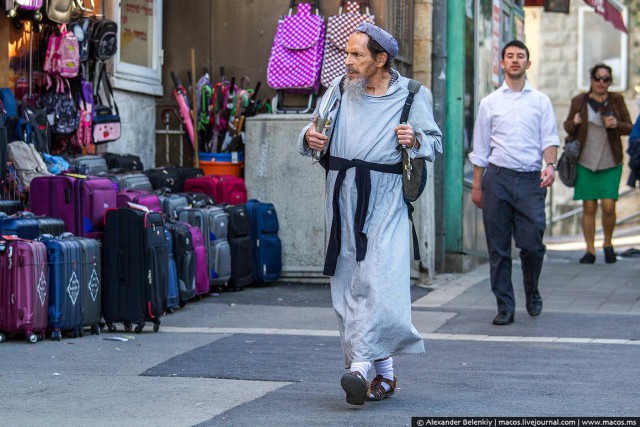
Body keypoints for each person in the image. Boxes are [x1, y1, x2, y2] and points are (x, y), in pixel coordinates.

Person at [297, 22, 442, 405]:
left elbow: (434, 142)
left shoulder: (412, 94)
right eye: (347, 53)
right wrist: (308, 138)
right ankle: (386, 375)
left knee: (377, 279)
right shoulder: (338, 90)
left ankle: (359, 368)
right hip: (341, 197)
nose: (348, 61)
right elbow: (313, 133)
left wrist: (416, 139)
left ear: (380, 59)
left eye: (356, 54)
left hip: (387, 199)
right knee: (348, 284)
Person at [469, 40, 559, 326]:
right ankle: (505, 306)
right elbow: (480, 148)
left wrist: (550, 166)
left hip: (531, 180)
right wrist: (477, 185)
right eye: (510, 56)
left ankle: (532, 290)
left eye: (521, 56)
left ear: (528, 64)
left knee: (532, 245)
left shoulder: (541, 101)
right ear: (503, 63)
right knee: (498, 248)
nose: (515, 60)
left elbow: (550, 139)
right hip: (498, 178)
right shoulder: (489, 103)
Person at [563, 63, 633, 264]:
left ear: (610, 82)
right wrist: (574, 122)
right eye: (598, 78)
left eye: (606, 79)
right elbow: (567, 127)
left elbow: (629, 127)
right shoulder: (579, 101)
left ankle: (608, 243)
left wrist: (616, 124)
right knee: (589, 206)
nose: (601, 82)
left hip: (610, 160)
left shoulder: (617, 100)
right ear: (591, 80)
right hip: (585, 160)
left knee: (609, 206)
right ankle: (590, 250)